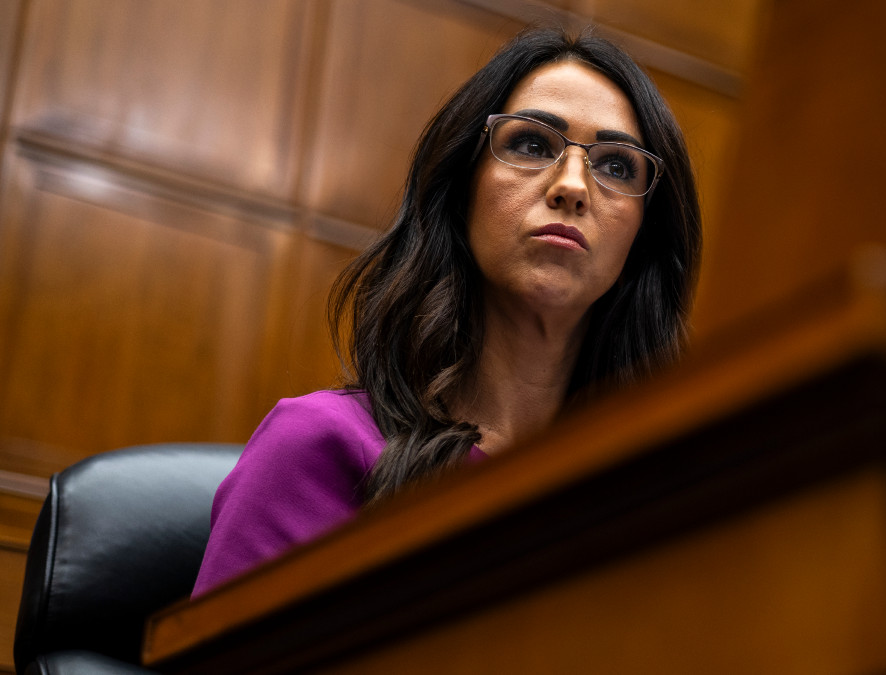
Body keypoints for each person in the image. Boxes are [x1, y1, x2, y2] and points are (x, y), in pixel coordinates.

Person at [191, 27, 701, 598]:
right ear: (461, 189)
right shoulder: (320, 448)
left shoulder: (659, 499)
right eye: (533, 144)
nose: (573, 186)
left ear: (643, 237)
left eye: (616, 166)